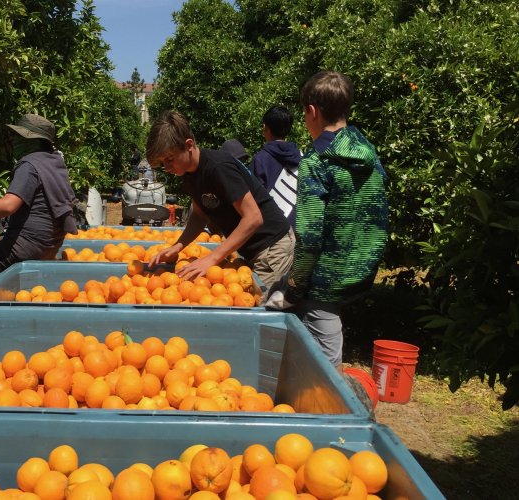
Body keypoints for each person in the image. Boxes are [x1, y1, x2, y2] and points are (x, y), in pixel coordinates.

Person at [267, 71, 389, 369]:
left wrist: (293, 289)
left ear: (312, 111)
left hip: (325, 276)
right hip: (360, 266)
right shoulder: (368, 153)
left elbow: (309, 236)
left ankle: (328, 410)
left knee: (324, 365)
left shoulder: (318, 161)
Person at [146, 111, 294, 296]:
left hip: (272, 247)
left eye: (170, 159)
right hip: (251, 249)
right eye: (162, 163)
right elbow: (200, 215)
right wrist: (178, 246)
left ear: (189, 145)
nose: (167, 168)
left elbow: (254, 218)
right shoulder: (189, 176)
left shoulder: (219, 168)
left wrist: (212, 258)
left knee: (261, 307)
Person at [0, 114, 78, 300]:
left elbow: (9, 205)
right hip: (50, 244)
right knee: (5, 283)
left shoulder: (29, 164)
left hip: (28, 244)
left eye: (18, 137)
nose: (13, 142)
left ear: (31, 141)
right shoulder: (54, 162)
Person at [250, 105, 301, 228]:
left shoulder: (260, 160)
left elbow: (253, 200)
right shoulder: (302, 157)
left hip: (273, 231)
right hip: (298, 227)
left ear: (265, 128)